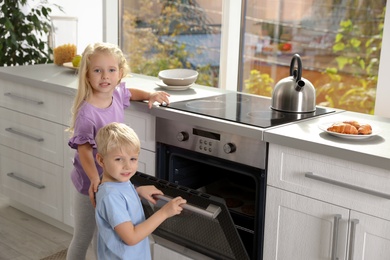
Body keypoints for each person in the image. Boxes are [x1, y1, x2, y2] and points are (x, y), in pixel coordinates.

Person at [66, 42, 170, 260]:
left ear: (120, 73)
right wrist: (95, 180)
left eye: (111, 70)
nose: (105, 76)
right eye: (97, 70)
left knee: (105, 234)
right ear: (87, 73)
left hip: (113, 177)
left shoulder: (116, 94)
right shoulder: (87, 114)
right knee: (84, 235)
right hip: (90, 185)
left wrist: (150, 94)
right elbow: (84, 151)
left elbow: (129, 92)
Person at [94, 122, 186, 259]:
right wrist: (164, 213)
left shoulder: (119, 182)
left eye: (133, 159)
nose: (127, 166)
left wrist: (137, 192)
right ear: (101, 160)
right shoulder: (110, 196)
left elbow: (121, 201)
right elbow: (131, 238)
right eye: (119, 159)